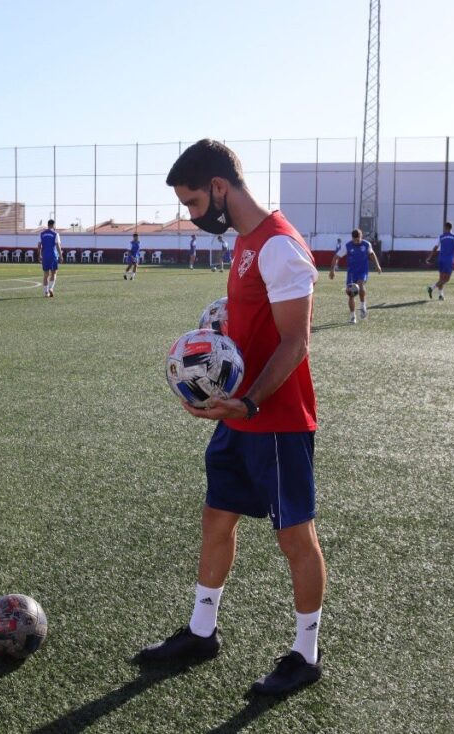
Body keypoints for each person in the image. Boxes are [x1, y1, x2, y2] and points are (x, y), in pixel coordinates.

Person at [139, 139, 325, 697]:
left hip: (277, 422)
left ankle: (306, 653)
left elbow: (297, 341)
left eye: (193, 203)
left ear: (219, 188)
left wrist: (249, 401)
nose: (192, 216)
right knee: (216, 521)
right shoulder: (246, 243)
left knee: (295, 537)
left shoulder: (279, 247)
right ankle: (201, 632)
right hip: (238, 418)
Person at [328, 229, 382, 323]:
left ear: (361, 237)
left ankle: (362, 306)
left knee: (360, 284)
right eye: (355, 240)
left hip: (362, 270)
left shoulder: (366, 244)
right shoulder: (347, 246)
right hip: (352, 273)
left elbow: (372, 254)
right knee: (351, 294)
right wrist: (332, 270)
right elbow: (336, 257)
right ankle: (353, 317)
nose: (357, 241)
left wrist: (377, 265)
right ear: (352, 238)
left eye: (359, 239)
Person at [425, 222, 454, 301]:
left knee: (441, 278)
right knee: (447, 279)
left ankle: (441, 295)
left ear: (446, 227)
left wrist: (429, 257)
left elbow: (435, 248)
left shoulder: (440, 237)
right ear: (451, 228)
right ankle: (431, 287)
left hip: (441, 259)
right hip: (449, 260)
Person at [37, 219, 61, 297]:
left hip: (45, 256)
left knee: (46, 275)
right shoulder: (55, 234)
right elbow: (58, 246)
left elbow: (39, 245)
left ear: (48, 225)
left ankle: (46, 292)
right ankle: (51, 288)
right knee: (54, 273)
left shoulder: (41, 234)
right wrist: (61, 256)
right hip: (53, 256)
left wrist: (39, 255)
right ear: (53, 225)